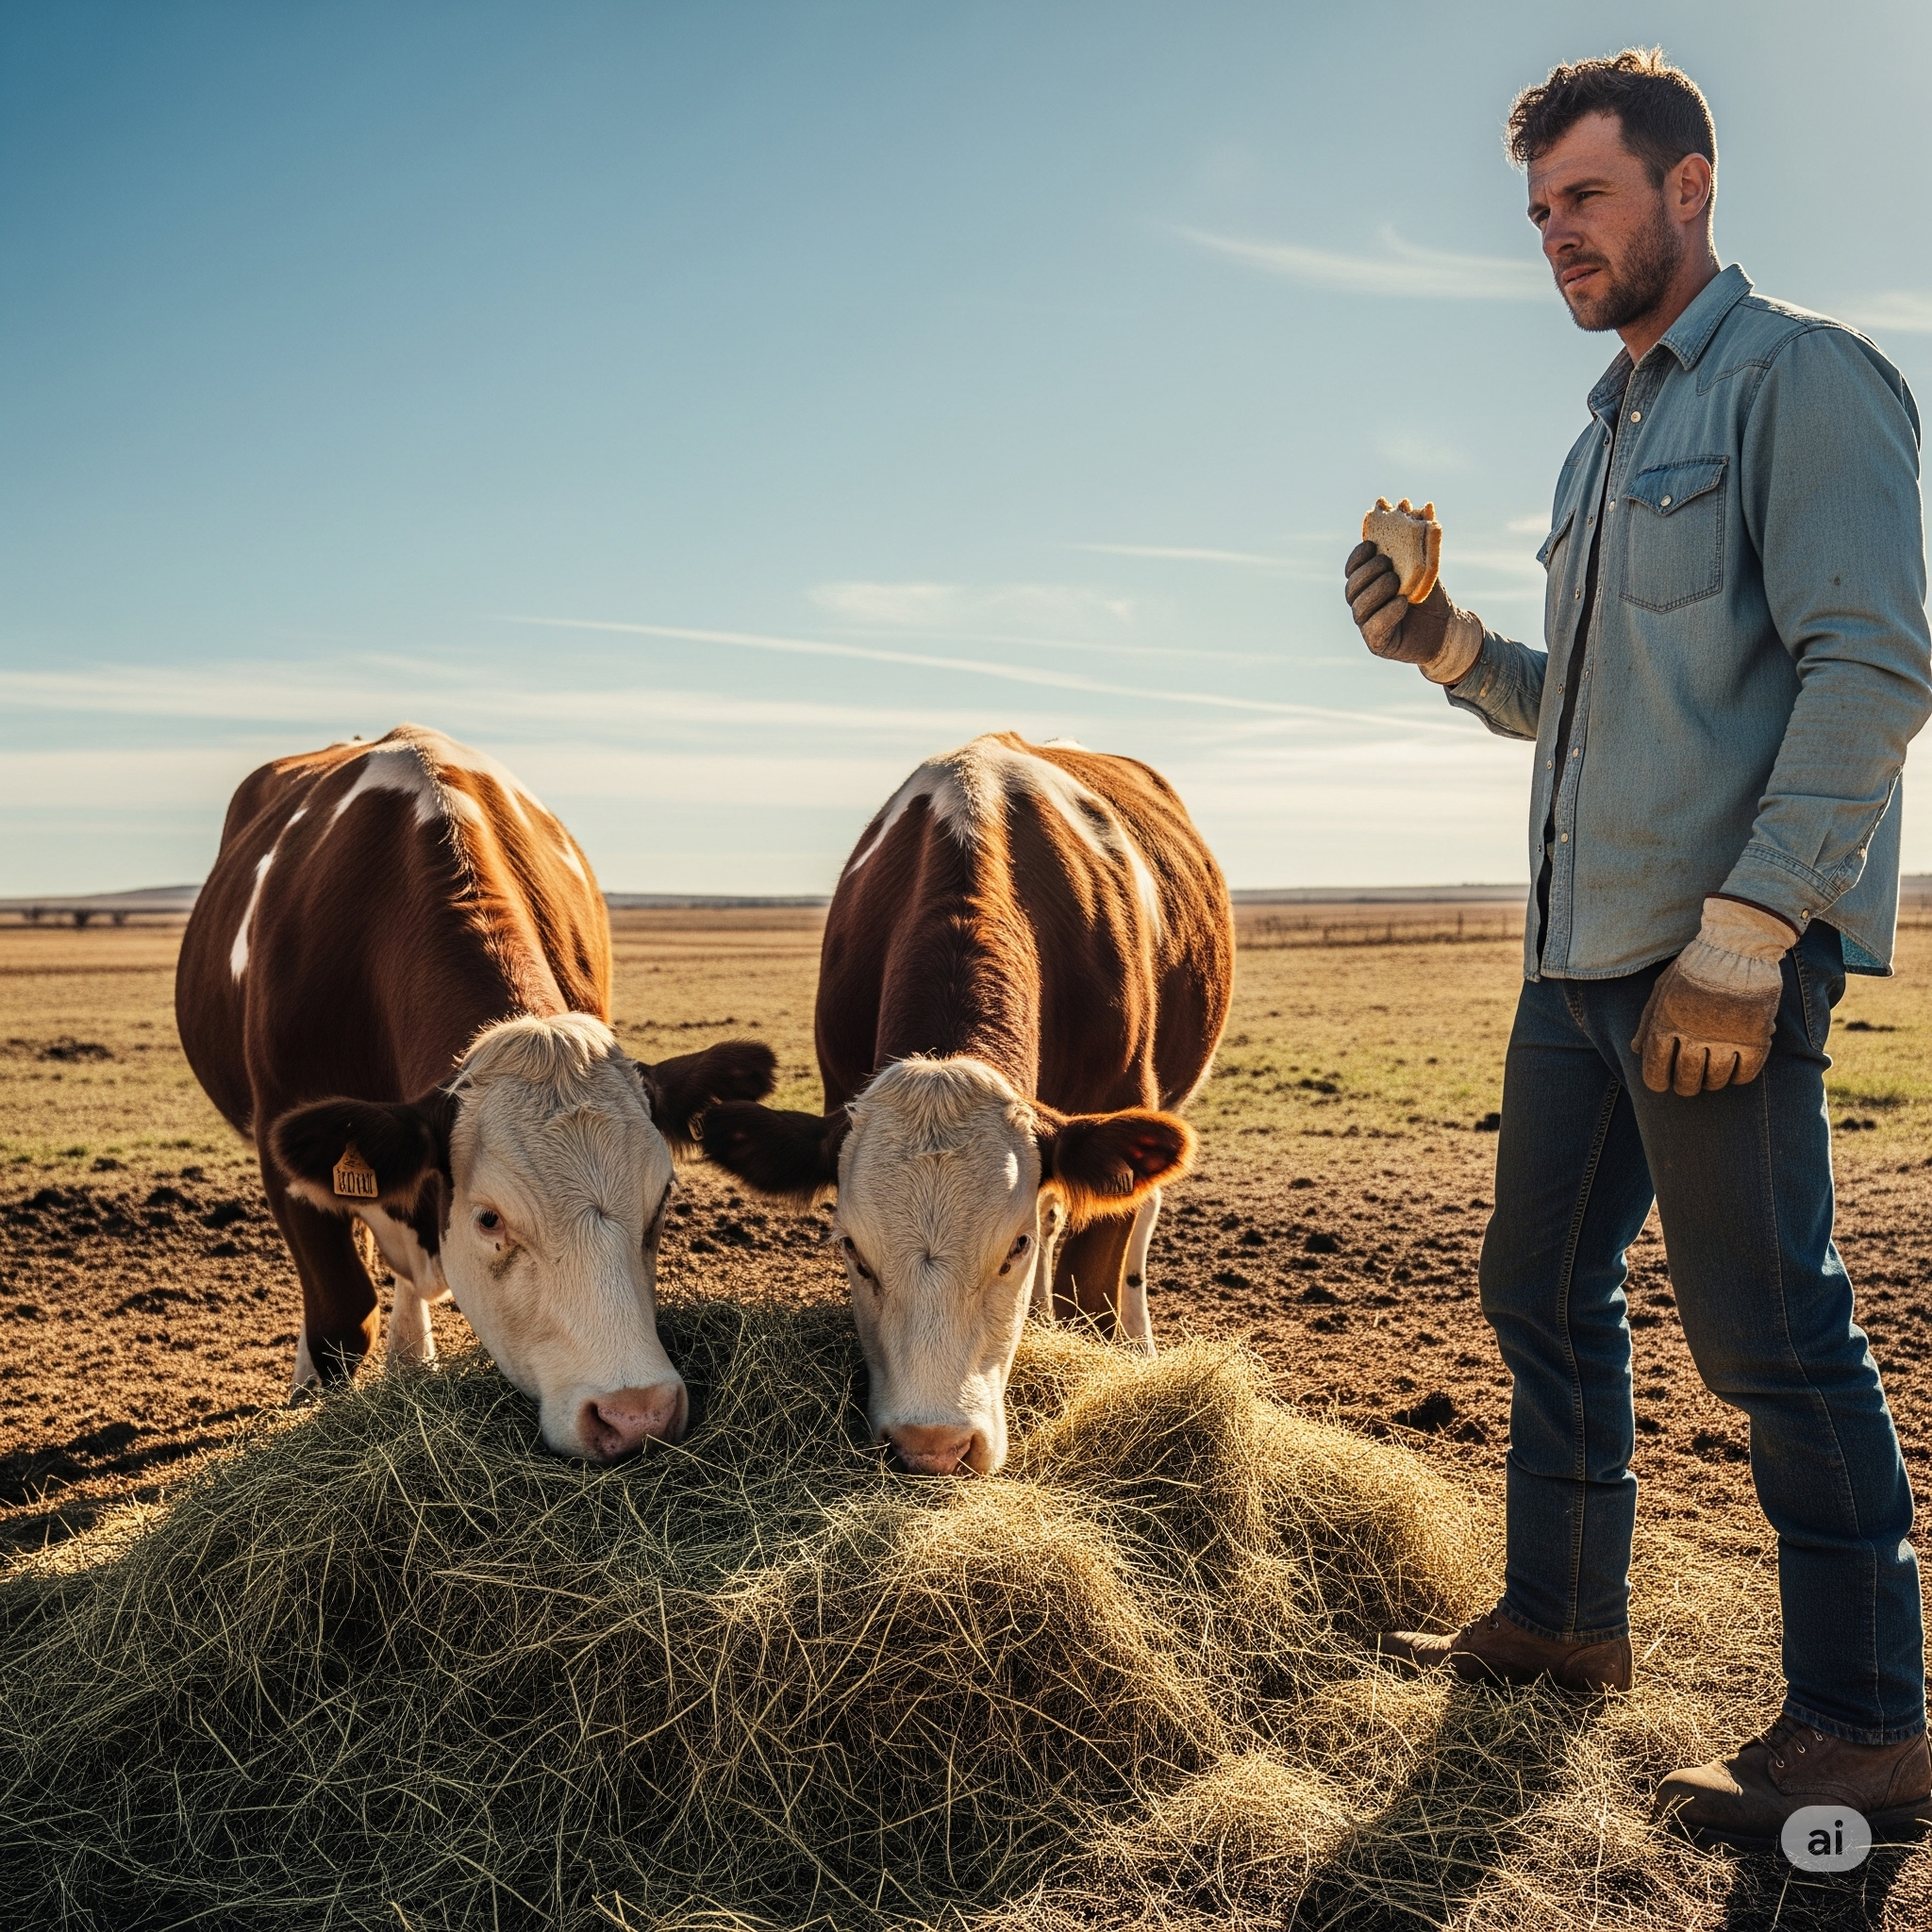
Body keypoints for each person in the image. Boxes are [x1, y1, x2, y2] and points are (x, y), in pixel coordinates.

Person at [1346, 48, 1932, 1855]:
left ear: (1690, 187)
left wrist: (1752, 936)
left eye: (1583, 197)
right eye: (1536, 213)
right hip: (1576, 965)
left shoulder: (1799, 382)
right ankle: (1568, 1622)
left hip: (1715, 970)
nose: (1554, 238)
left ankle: (1868, 1726)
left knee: (1771, 1342)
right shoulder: (1603, 434)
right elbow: (1580, 706)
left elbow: (1877, 665)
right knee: (1537, 1291)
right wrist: (1445, 642)